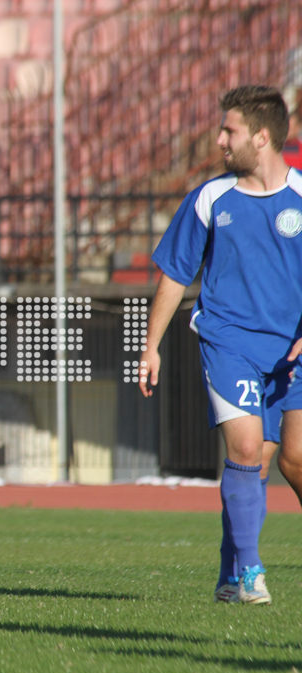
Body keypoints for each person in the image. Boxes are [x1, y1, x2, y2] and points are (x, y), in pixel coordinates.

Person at [139, 85, 302, 606]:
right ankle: (251, 573)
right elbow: (174, 274)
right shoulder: (210, 198)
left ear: (262, 136)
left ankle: (229, 573)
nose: (219, 139)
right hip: (228, 342)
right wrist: (151, 346)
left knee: (293, 459)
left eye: (229, 130)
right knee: (247, 452)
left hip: (292, 352)